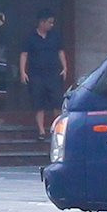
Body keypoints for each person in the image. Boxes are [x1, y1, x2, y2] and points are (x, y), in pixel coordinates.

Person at [19, 10, 70, 143]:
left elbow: (60, 51)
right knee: (38, 103)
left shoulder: (55, 36)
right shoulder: (30, 37)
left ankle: (57, 130)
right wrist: (22, 72)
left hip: (53, 74)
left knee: (57, 102)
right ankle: (41, 130)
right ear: (42, 22)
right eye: (49, 22)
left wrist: (65, 67)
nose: (51, 25)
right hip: (36, 75)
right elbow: (24, 54)